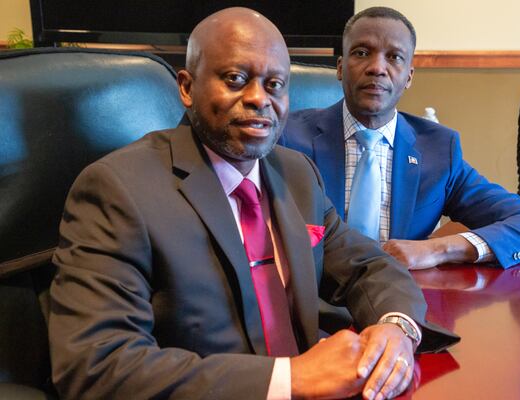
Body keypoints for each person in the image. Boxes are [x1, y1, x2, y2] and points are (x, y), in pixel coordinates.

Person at [48, 7, 457, 400]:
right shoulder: (118, 188)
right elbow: (96, 365)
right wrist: (290, 379)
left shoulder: (296, 172)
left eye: (275, 84)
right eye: (235, 78)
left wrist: (397, 327)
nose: (259, 98)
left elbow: (369, 266)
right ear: (187, 87)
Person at [281, 6, 520, 271]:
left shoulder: (438, 150)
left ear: (409, 76)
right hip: (307, 300)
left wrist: (436, 249)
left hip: (398, 299)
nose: (377, 67)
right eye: (362, 52)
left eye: (394, 57)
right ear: (340, 68)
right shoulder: (287, 137)